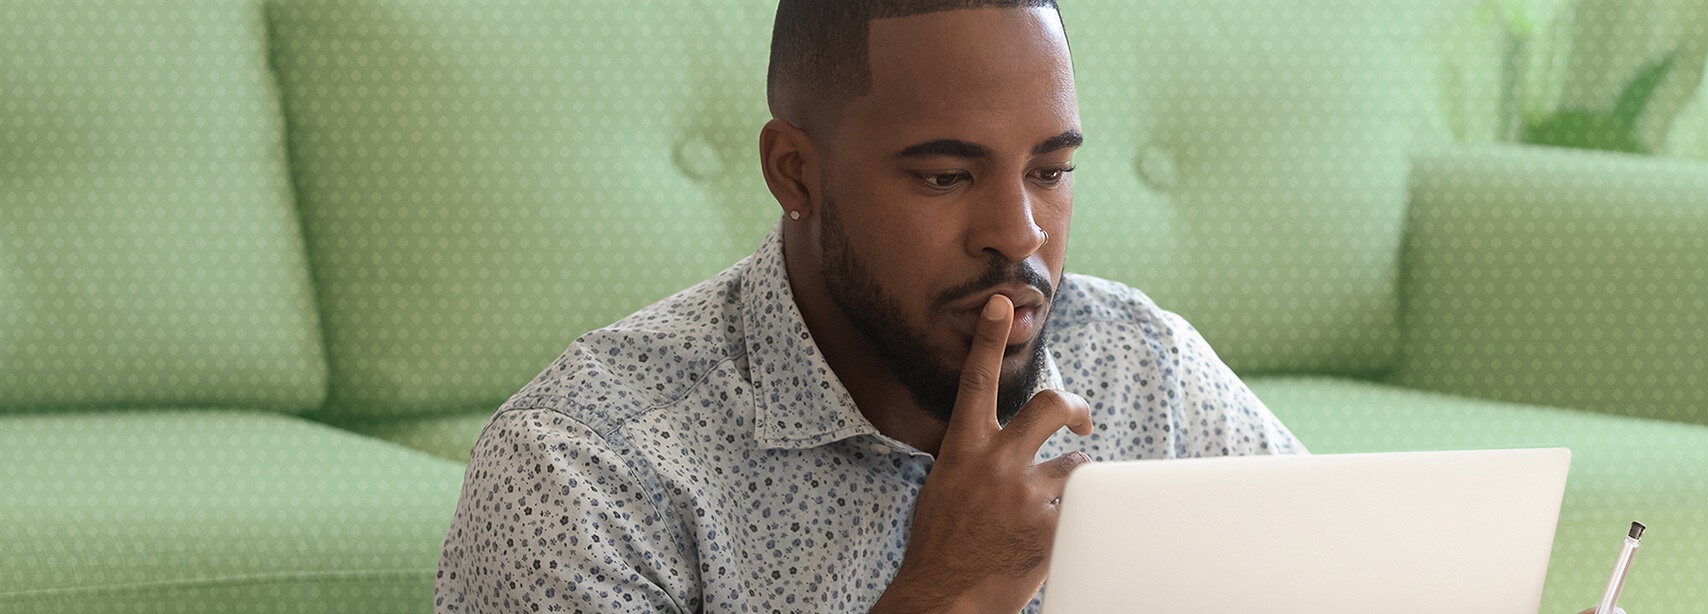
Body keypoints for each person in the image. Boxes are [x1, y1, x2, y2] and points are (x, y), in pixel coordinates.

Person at [433, 2, 1617, 613]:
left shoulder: (1143, 368)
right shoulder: (587, 465)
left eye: (1050, 169)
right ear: (796, 172)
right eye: (945, 177)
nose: (1019, 233)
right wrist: (946, 591)